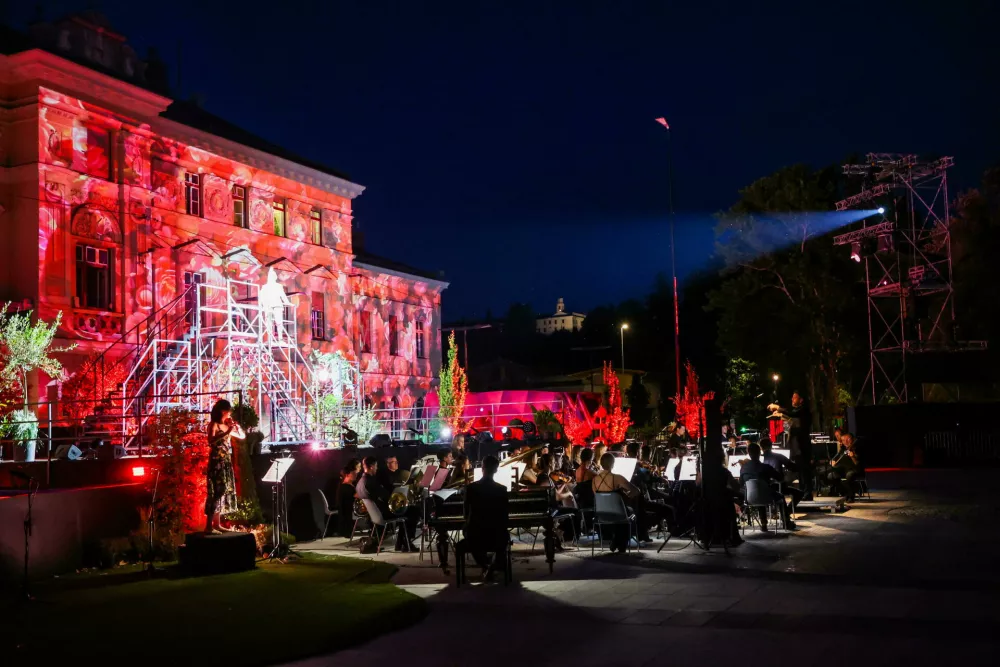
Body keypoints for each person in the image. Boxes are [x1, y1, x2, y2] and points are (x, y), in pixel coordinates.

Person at [461, 455, 510, 582]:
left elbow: (466, 513)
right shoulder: (502, 489)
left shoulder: (470, 488)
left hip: (476, 533)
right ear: (496, 470)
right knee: (504, 537)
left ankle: (485, 565)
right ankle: (492, 567)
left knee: (468, 534)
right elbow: (505, 515)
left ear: (482, 468)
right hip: (496, 533)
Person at [356, 456, 417, 551]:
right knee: (413, 511)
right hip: (383, 514)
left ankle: (401, 543)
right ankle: (405, 542)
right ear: (371, 466)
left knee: (409, 511)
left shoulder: (360, 483)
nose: (376, 468)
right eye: (376, 466)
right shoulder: (371, 482)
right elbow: (387, 497)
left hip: (375, 515)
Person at [204, 399, 245, 533]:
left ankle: (217, 523)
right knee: (216, 491)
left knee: (223, 491)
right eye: (228, 411)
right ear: (223, 411)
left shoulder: (226, 426)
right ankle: (209, 525)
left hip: (226, 462)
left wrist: (236, 427)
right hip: (217, 462)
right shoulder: (213, 425)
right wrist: (227, 433)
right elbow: (210, 440)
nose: (229, 414)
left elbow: (242, 436)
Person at [769, 391, 813, 500]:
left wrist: (778, 408)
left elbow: (793, 415)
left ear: (801, 400)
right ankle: (803, 492)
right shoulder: (796, 411)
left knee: (805, 470)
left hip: (802, 445)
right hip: (795, 445)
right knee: (800, 470)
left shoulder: (804, 410)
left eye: (795, 397)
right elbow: (791, 419)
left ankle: (807, 493)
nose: (792, 400)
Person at [592, 452, 641, 553]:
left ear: (601, 464)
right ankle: (620, 542)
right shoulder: (617, 477)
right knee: (628, 511)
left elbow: (598, 497)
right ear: (613, 464)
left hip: (602, 513)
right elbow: (636, 491)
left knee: (621, 513)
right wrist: (628, 496)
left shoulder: (594, 480)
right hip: (618, 512)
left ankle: (616, 541)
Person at [739, 443, 794, 531]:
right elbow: (780, 478)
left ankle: (763, 524)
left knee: (758, 492)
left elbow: (741, 483)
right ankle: (786, 522)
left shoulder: (743, 468)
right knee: (780, 497)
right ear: (759, 452)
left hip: (749, 498)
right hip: (766, 497)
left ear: (748, 453)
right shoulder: (766, 467)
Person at [760, 438, 803, 507]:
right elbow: (793, 467)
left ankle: (773, 510)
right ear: (771, 446)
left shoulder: (759, 459)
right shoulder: (778, 456)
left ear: (761, 448)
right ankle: (787, 511)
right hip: (778, 487)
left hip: (762, 489)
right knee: (799, 493)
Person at [258, 267, 292, 342]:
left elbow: (283, 296)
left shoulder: (278, 286)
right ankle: (270, 338)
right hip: (268, 306)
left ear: (274, 277)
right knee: (269, 323)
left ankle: (280, 338)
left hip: (277, 306)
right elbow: (261, 297)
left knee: (279, 322)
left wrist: (287, 303)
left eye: (273, 276)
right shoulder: (265, 287)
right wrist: (261, 305)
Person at [828, 433, 861, 501]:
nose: (846, 442)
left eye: (848, 439)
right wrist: (832, 461)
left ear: (852, 439)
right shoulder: (843, 449)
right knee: (831, 476)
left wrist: (853, 457)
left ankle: (851, 495)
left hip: (854, 470)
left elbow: (858, 464)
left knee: (849, 476)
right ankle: (844, 492)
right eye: (843, 440)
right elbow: (833, 459)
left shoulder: (857, 448)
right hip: (843, 470)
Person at [335, 464, 359, 537]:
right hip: (349, 511)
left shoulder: (349, 485)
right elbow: (357, 496)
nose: (356, 475)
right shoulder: (345, 487)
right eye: (353, 473)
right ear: (347, 475)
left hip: (351, 508)